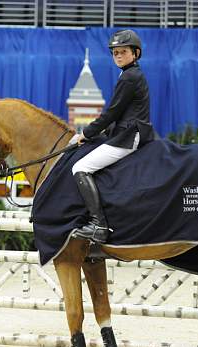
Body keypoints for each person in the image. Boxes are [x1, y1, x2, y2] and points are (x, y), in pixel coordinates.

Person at [70, 29, 156, 244]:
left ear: (135, 53)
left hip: (128, 137)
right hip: (126, 131)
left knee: (80, 168)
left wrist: (86, 133)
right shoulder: (130, 74)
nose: (118, 56)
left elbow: (113, 112)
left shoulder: (129, 77)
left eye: (123, 52)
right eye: (115, 52)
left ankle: (99, 225)